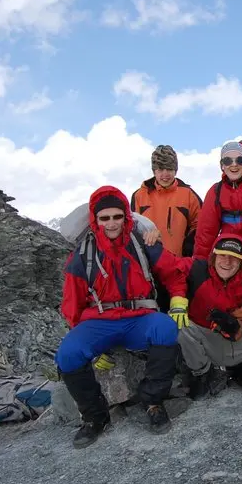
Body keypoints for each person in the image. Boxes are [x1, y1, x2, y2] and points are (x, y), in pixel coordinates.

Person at [55, 186, 189, 448]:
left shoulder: (143, 243)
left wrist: (178, 299)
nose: (112, 223)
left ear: (126, 217)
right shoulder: (82, 256)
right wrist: (91, 348)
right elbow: (72, 302)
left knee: (165, 328)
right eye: (104, 218)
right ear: (95, 220)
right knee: (69, 354)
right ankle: (95, 417)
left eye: (117, 216)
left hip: (139, 317)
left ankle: (152, 401)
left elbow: (173, 272)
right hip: (99, 321)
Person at [179, 234, 242, 399]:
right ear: (214, 257)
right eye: (222, 255)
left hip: (240, 345)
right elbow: (168, 266)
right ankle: (202, 375)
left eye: (234, 258)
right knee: (180, 322)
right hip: (208, 344)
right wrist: (150, 237)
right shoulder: (197, 270)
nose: (227, 262)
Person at [131, 144, 203, 310]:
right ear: (154, 170)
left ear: (176, 170)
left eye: (169, 169)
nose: (165, 174)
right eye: (160, 168)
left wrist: (188, 252)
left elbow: (200, 227)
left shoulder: (188, 195)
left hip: (177, 267)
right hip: (148, 267)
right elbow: (132, 228)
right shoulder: (139, 196)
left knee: (179, 310)